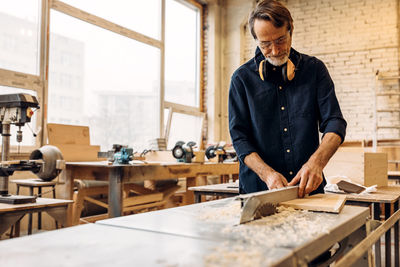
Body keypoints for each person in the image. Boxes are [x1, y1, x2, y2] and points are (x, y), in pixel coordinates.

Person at [229, 0, 346, 198]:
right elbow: (240, 139)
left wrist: (316, 162)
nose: (275, 51)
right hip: (258, 191)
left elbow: (335, 123)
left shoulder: (315, 70)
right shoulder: (241, 80)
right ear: (256, 40)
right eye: (265, 44)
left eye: (281, 40)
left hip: (308, 190)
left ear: (290, 29)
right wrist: (267, 175)